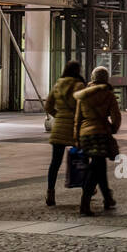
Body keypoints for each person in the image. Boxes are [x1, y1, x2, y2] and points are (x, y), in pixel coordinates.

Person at [73, 67, 122, 216]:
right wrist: (113, 129)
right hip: (100, 134)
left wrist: (77, 137)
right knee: (95, 169)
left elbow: (78, 118)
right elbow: (116, 117)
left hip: (85, 135)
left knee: (99, 167)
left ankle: (107, 198)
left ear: (92, 78)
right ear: (106, 79)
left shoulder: (83, 96)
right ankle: (85, 204)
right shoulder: (109, 95)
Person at [44, 60, 85, 206]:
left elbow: (48, 106)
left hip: (59, 127)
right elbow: (84, 107)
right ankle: (87, 190)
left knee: (55, 162)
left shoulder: (57, 85)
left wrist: (59, 115)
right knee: (84, 159)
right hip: (75, 127)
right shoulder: (79, 86)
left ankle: (50, 193)